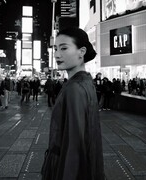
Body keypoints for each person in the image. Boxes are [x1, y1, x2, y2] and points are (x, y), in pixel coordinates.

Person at [41, 27, 104, 180]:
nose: (57, 54)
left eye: (64, 48)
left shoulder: (74, 88)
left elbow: (74, 144)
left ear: (81, 51)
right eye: (55, 49)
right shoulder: (86, 82)